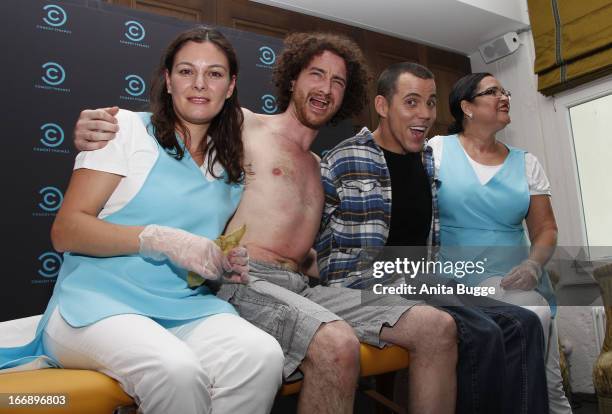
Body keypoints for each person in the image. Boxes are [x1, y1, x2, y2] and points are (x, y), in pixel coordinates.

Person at [74, 32, 459, 414]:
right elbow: (184, 113)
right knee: (336, 343)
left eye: (337, 81)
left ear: (347, 95)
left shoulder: (319, 166)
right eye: (316, 74)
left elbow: (309, 251)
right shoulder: (246, 125)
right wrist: (102, 124)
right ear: (293, 79)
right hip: (241, 280)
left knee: (436, 327)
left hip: (303, 289)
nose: (325, 88)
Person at [0, 27, 284, 414]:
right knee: (177, 371)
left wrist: (218, 261)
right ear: (167, 80)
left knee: (262, 356)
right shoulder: (124, 131)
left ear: (231, 87)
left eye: (215, 74)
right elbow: (65, 231)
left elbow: (197, 252)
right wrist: (156, 238)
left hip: (185, 308)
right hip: (96, 307)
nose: (200, 83)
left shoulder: (229, 165)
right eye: (186, 71)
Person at [316, 62, 550, 413]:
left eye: (430, 103)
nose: (424, 114)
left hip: (419, 280)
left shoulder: (426, 158)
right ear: (382, 106)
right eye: (411, 102)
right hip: (362, 284)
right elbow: (313, 243)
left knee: (525, 322)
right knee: (482, 332)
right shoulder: (343, 159)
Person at [428, 72, 571, 414]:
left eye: (504, 91)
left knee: (550, 388)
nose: (504, 96)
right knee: (502, 385)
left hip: (519, 282)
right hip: (458, 286)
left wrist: (533, 265)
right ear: (467, 107)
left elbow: (546, 229)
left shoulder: (526, 163)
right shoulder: (436, 150)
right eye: (492, 92)